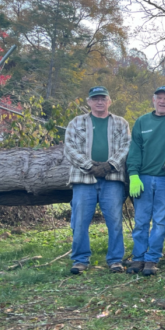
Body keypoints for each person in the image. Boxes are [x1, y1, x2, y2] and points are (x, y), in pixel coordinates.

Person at [64, 86, 131, 274]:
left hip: (113, 179)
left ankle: (116, 260)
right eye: (95, 99)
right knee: (79, 221)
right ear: (89, 102)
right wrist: (90, 166)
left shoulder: (120, 123)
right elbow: (69, 148)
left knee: (115, 220)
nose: (99, 102)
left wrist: (110, 165)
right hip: (83, 179)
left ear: (109, 101)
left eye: (103, 98)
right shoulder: (76, 123)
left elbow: (126, 146)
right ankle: (80, 259)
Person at [126, 86, 165, 276]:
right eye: (159, 98)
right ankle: (138, 257)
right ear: (153, 100)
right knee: (141, 220)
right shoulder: (143, 121)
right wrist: (133, 175)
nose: (162, 101)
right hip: (143, 178)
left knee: (160, 221)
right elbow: (135, 150)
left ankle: (152, 258)